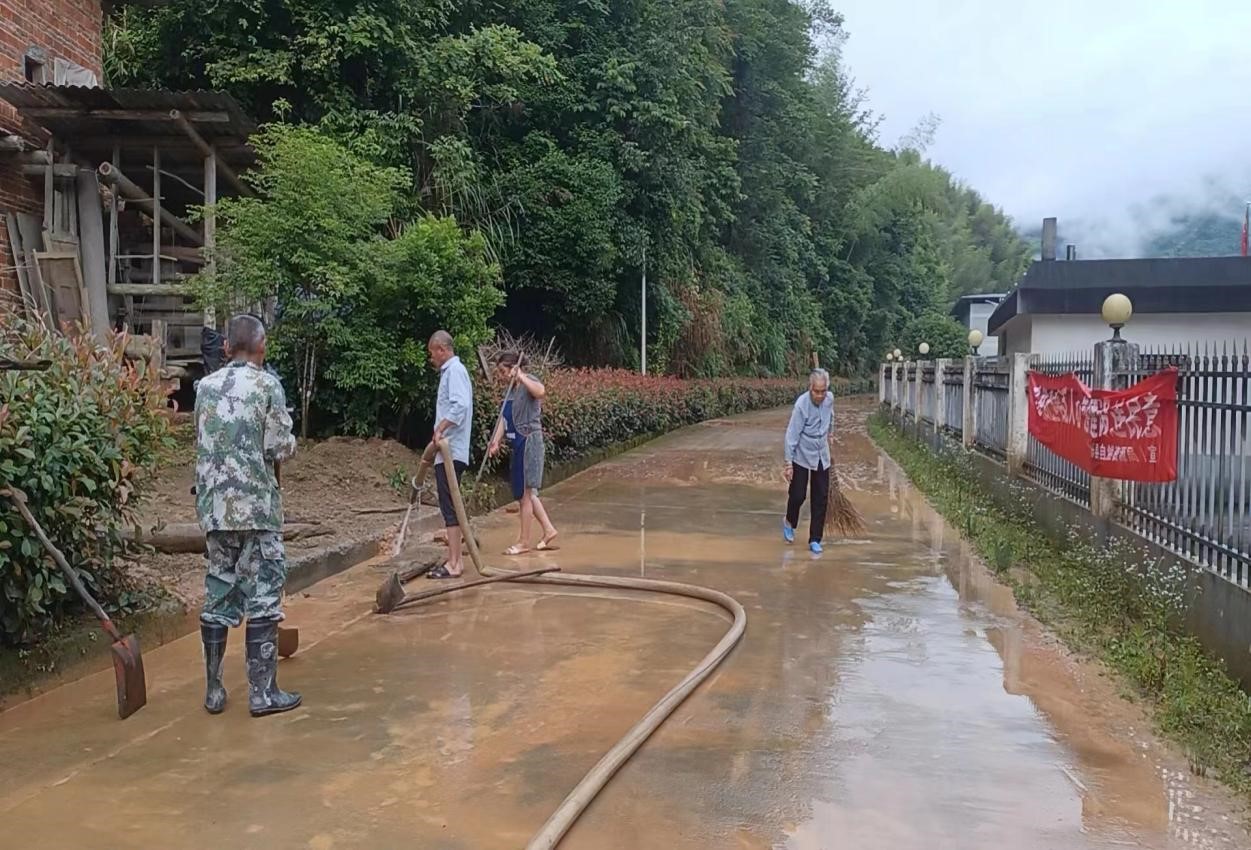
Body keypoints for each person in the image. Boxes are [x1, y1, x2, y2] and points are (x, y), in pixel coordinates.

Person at [194, 314, 300, 717]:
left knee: (218, 591)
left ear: (226, 348)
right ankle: (262, 693)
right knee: (264, 594)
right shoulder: (267, 386)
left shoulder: (204, 388)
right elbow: (279, 448)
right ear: (262, 347)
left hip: (216, 510)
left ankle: (214, 690)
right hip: (257, 508)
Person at [487, 352, 558, 554]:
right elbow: (504, 417)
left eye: (503, 371)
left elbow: (541, 392)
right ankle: (549, 529)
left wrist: (522, 377)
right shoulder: (509, 391)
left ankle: (524, 542)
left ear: (513, 368)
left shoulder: (529, 381)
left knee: (526, 495)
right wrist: (496, 440)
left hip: (529, 442)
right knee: (524, 493)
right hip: (516, 443)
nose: (501, 375)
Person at [426, 330, 473, 579]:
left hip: (450, 450)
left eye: (432, 353)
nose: (431, 358)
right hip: (449, 450)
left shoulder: (454, 371)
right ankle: (453, 559)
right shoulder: (452, 372)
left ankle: (455, 563)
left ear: (442, 350)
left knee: (451, 508)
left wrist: (441, 428)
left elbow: (460, 405)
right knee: (450, 506)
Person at [783, 368, 835, 555]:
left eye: (823, 391)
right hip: (802, 454)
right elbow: (791, 435)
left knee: (820, 497)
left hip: (822, 454)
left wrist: (830, 433)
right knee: (798, 495)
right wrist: (789, 463)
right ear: (810, 388)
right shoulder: (801, 406)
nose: (820, 395)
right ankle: (789, 521)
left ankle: (815, 539)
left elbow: (831, 416)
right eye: (816, 391)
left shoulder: (830, 399)